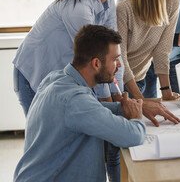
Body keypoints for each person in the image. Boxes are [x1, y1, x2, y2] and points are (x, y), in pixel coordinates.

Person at [13, 24, 146, 182]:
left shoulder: (57, 79)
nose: (119, 65)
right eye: (115, 59)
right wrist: (136, 118)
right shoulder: (76, 101)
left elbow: (95, 110)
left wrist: (124, 108)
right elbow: (132, 136)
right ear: (96, 63)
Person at [12, 0, 129, 116]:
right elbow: (97, 59)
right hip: (33, 74)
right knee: (45, 136)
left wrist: (118, 93)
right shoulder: (79, 8)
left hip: (55, 76)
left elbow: (113, 53)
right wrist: (110, 103)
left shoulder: (108, 3)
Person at [116, 0, 180, 126]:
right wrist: (141, 101)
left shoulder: (173, 3)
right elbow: (119, 59)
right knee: (122, 142)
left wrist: (166, 91)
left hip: (140, 80)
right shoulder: (124, 7)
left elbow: (162, 50)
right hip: (118, 86)